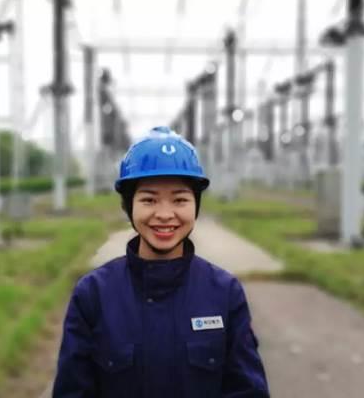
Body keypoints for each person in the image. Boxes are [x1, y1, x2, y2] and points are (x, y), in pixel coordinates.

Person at [52, 126, 270, 398]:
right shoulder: (93, 295)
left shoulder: (225, 292)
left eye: (179, 199)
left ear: (196, 205)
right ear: (128, 206)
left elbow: (248, 391)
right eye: (149, 200)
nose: (165, 214)